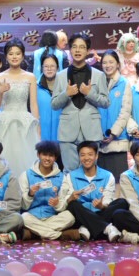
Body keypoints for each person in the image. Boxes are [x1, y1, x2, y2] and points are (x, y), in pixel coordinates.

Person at [50, 34, 110, 173]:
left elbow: (106, 102)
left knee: (91, 171)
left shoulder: (99, 75)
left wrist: (90, 94)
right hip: (67, 131)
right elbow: (54, 104)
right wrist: (66, 94)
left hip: (91, 130)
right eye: (74, 47)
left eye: (82, 47)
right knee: (69, 172)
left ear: (88, 51)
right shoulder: (60, 76)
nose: (77, 50)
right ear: (70, 50)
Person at [65, 140, 136, 242]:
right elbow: (66, 200)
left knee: (122, 202)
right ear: (79, 157)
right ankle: (108, 228)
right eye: (82, 155)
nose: (86, 158)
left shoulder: (107, 176)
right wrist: (71, 198)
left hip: (101, 212)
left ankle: (86, 228)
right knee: (73, 205)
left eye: (90, 154)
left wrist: (101, 206)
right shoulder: (71, 176)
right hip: (81, 215)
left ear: (96, 156)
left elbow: (107, 199)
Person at [20, 140, 75, 241]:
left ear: (55, 158)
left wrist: (57, 204)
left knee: (70, 217)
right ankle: (58, 235)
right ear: (38, 155)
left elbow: (62, 206)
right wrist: (30, 194)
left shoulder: (62, 177)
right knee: (23, 217)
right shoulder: (26, 175)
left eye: (51, 155)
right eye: (44, 155)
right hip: (32, 217)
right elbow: (23, 206)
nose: (47, 158)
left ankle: (36, 233)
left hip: (52, 217)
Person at [95, 50, 132, 176]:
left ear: (118, 64)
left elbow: (125, 112)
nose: (107, 65)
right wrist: (98, 133)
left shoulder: (124, 83)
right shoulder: (97, 82)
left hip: (117, 141)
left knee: (118, 182)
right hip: (99, 141)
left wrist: (113, 133)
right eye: (104, 62)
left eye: (111, 62)